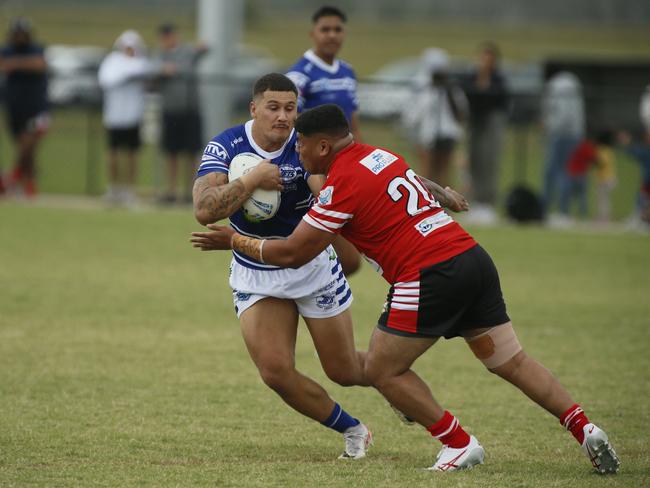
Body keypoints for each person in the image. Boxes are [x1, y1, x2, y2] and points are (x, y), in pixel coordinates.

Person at [192, 104, 621, 474]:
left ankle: (457, 443)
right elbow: (411, 180)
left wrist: (235, 240)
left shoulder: (341, 185)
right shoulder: (379, 155)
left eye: (302, 144)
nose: (297, 151)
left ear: (323, 146)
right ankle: (585, 428)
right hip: (471, 258)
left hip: (428, 273)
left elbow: (291, 252)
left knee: (381, 370)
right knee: (510, 360)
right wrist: (443, 194)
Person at [191, 74, 371, 460]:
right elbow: (205, 211)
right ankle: (353, 429)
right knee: (275, 372)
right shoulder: (227, 145)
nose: (283, 117)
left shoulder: (304, 145)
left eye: (290, 108)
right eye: (273, 107)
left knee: (346, 370)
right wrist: (254, 177)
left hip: (310, 267)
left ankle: (399, 387)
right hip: (255, 269)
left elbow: (337, 186)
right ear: (254, 108)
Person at [286, 5, 362, 143]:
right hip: (315, 158)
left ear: (344, 34)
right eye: (325, 30)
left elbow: (353, 124)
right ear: (312, 34)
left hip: (343, 155)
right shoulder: (299, 75)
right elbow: (290, 123)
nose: (332, 35)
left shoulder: (347, 71)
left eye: (337, 30)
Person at [153, 22, 207, 205]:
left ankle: (191, 191)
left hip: (190, 110)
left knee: (191, 153)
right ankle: (171, 191)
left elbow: (206, 48)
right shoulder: (159, 56)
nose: (167, 39)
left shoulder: (187, 52)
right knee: (171, 153)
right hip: (171, 111)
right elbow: (152, 71)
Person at [98, 30, 153, 206]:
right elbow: (106, 79)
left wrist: (129, 73)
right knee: (113, 153)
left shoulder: (141, 62)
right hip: (114, 116)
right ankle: (114, 189)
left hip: (133, 116)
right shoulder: (112, 61)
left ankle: (129, 191)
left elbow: (145, 71)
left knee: (132, 154)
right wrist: (127, 75)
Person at [401, 47, 467, 187]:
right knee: (433, 174)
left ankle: (438, 206)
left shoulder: (439, 85)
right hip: (436, 134)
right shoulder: (431, 84)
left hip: (435, 135)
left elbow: (414, 113)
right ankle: (436, 205)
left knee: (432, 174)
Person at [0, 18, 49, 197]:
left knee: (27, 146)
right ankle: (28, 185)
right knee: (25, 151)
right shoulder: (6, 50)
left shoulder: (36, 50)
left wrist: (13, 64)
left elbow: (39, 63)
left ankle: (11, 178)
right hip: (14, 108)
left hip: (36, 109)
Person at [462, 41, 509, 225]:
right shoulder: (471, 77)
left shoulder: (499, 80)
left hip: (491, 124)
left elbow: (497, 97)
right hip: (475, 123)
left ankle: (487, 203)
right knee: (475, 161)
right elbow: (469, 94)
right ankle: (473, 202)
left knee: (489, 161)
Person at [541, 71, 585, 220]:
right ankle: (564, 210)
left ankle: (549, 210)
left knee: (553, 172)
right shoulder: (574, 82)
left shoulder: (556, 86)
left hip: (559, 134)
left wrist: (551, 126)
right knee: (569, 172)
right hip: (575, 134)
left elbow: (561, 113)